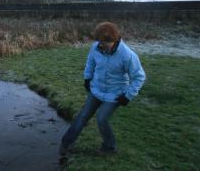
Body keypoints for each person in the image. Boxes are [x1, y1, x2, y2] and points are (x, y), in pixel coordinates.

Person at [59, 21, 146, 156]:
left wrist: (128, 95)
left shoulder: (127, 55)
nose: (101, 46)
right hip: (97, 89)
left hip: (115, 94)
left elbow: (139, 77)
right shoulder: (95, 47)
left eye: (105, 43)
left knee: (101, 119)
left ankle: (109, 147)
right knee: (83, 116)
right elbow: (90, 62)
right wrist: (87, 78)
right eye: (100, 42)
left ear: (114, 39)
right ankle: (66, 143)